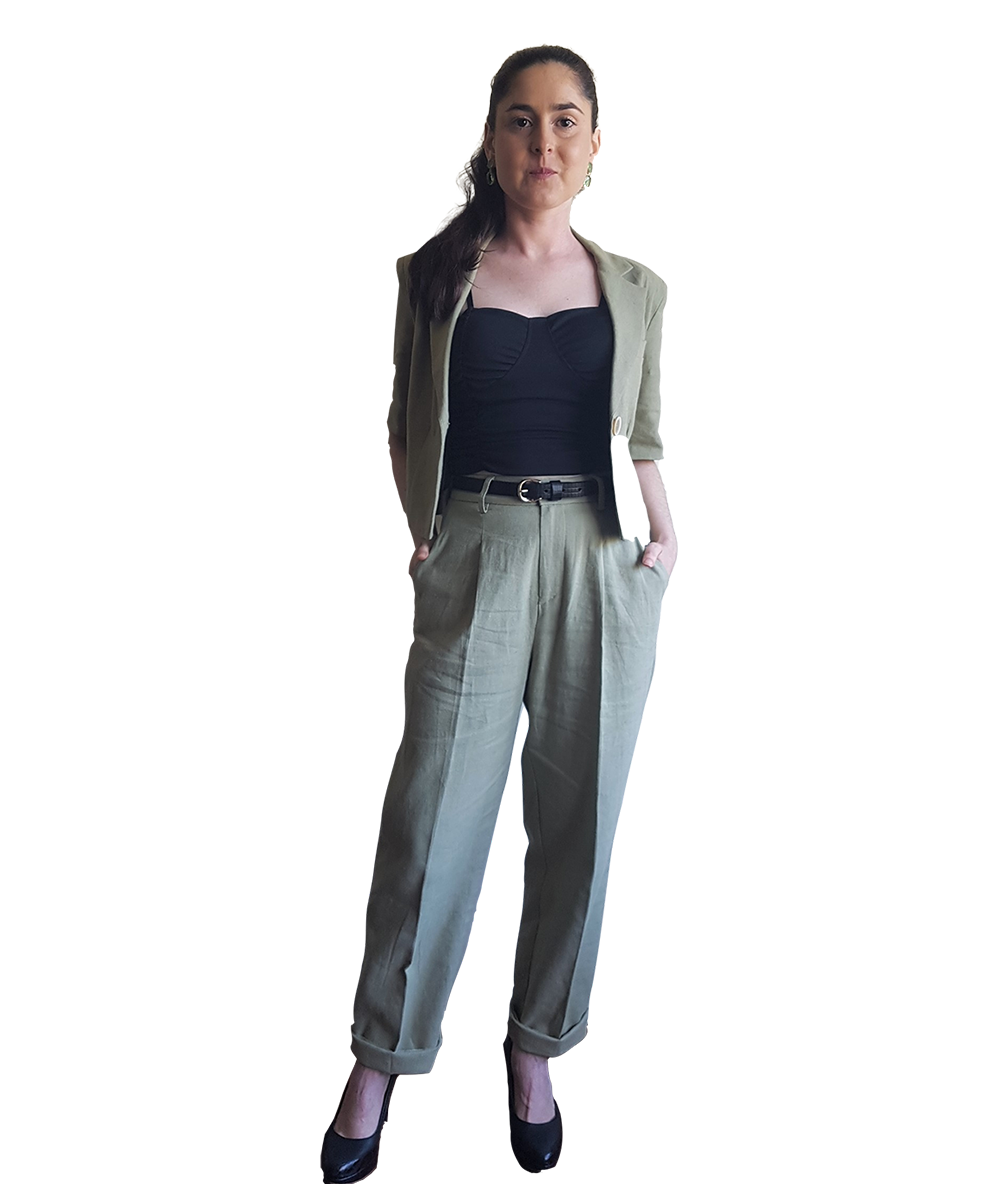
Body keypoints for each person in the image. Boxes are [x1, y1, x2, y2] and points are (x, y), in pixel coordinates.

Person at [321, 44, 678, 1183]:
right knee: (433, 816)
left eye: (566, 120)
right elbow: (401, 420)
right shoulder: (435, 276)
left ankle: (536, 1048)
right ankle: (382, 1055)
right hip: (474, 548)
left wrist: (665, 541)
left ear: (595, 142)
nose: (543, 141)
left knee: (581, 821)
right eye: (521, 120)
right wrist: (425, 537)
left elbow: (643, 435)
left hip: (598, 556)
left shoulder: (636, 289)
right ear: (491, 137)